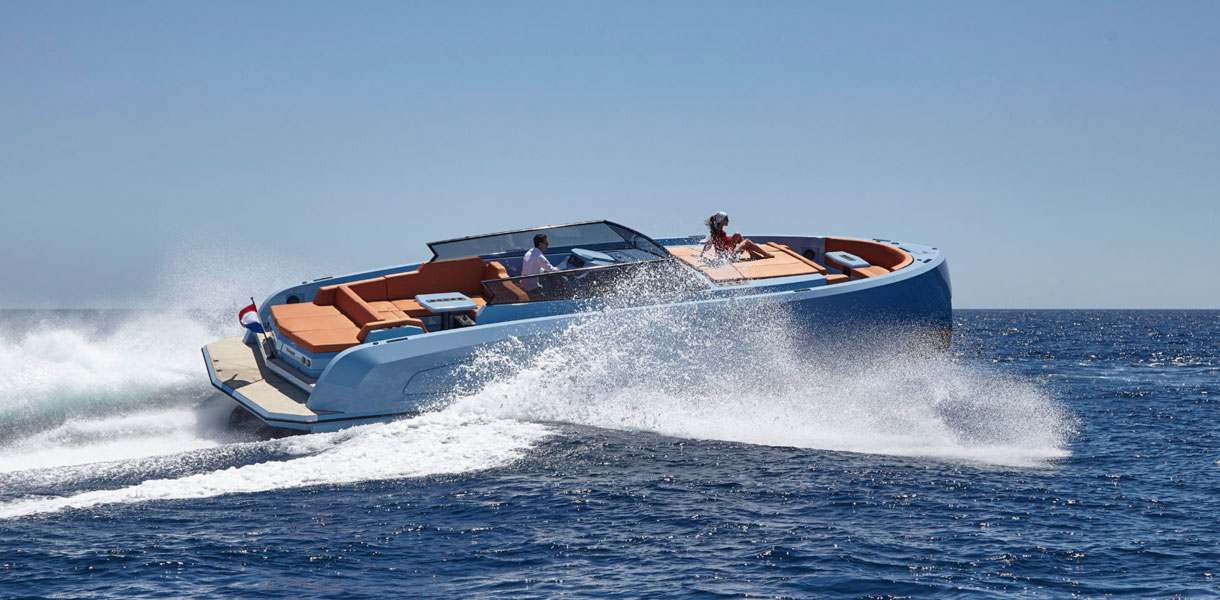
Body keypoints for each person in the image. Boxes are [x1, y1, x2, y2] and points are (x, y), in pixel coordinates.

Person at [700, 211, 768, 260]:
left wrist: (702, 254)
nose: (728, 221)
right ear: (721, 221)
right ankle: (766, 254)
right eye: (726, 219)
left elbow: (709, 245)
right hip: (728, 258)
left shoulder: (717, 232)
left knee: (737, 235)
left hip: (728, 253)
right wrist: (702, 254)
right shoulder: (717, 234)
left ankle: (752, 254)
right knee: (747, 242)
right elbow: (708, 244)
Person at [520, 233, 559, 297]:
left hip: (524, 286)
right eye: (546, 243)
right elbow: (552, 271)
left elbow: (532, 267)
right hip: (532, 289)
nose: (547, 245)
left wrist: (543, 271)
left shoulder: (528, 253)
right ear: (540, 244)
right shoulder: (539, 256)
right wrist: (558, 269)